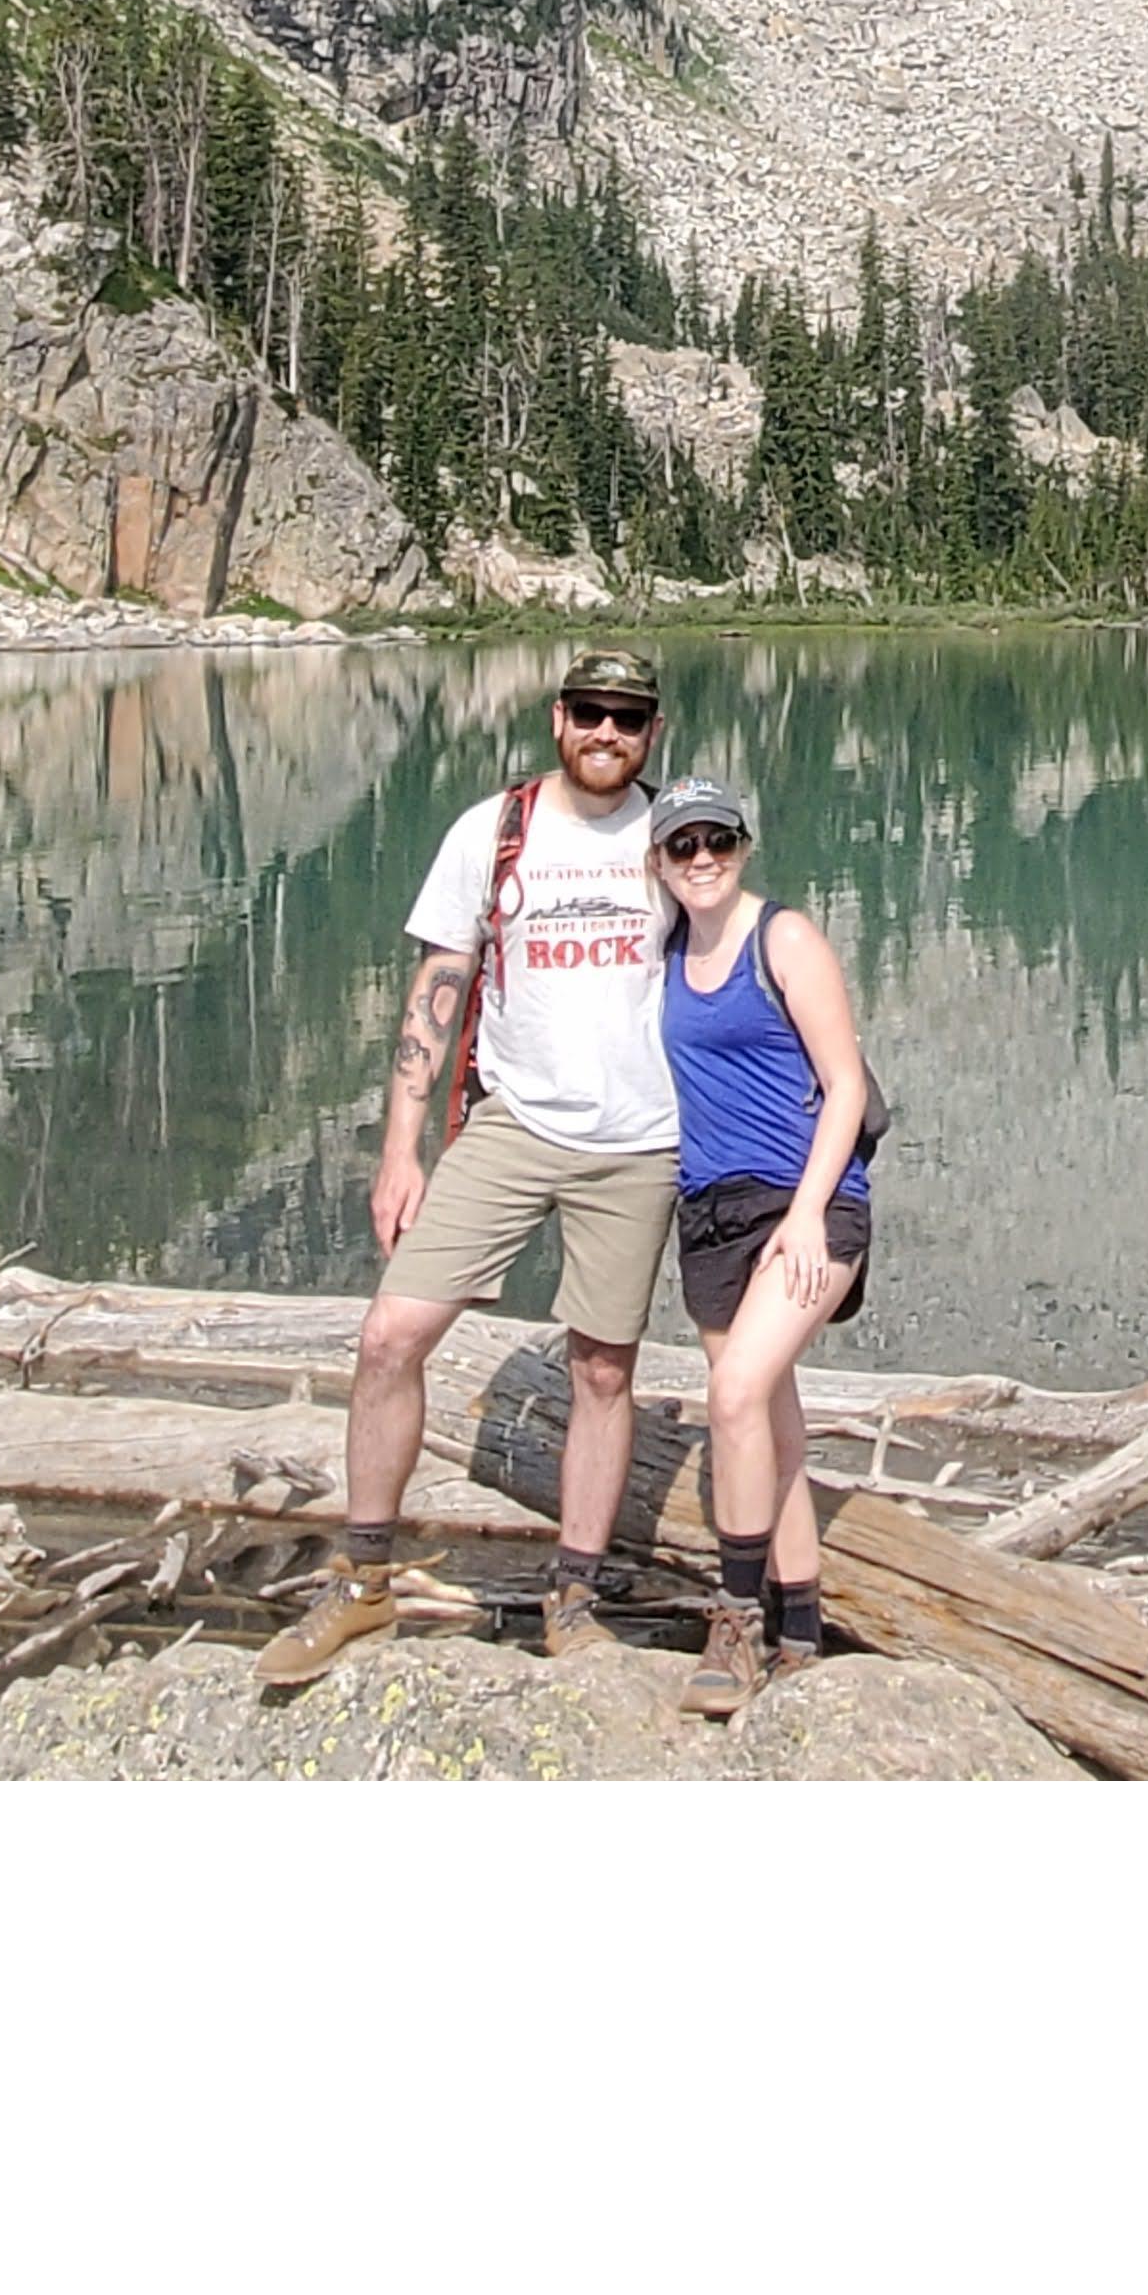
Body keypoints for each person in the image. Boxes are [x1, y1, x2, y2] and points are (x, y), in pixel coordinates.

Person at [261, 642, 683, 1693]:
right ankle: (364, 1580)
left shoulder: (679, 834)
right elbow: (438, 990)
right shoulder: (495, 830)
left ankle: (574, 1600)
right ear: (556, 718)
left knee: (602, 1369)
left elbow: (731, 969)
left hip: (639, 1139)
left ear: (651, 733)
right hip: (508, 1124)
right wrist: (400, 1148)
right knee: (390, 1335)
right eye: (589, 712)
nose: (606, 734)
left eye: (627, 719)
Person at [650, 773, 877, 1718]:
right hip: (707, 1213)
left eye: (719, 842)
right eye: (683, 846)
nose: (703, 860)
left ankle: (735, 1616)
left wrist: (809, 1213)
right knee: (772, 1422)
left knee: (735, 1394)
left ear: (744, 846)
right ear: (658, 861)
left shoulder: (783, 936)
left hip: (805, 1207)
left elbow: (847, 1085)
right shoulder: (665, 951)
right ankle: (800, 1631)